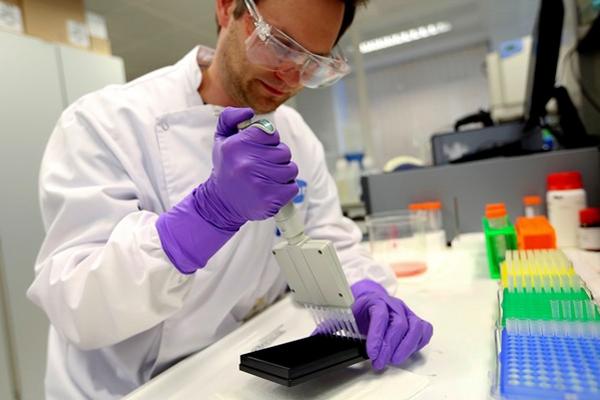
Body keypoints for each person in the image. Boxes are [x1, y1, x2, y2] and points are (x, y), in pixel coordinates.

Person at [27, 0, 433, 398]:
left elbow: (329, 239)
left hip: (239, 369)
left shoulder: (296, 134)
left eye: (312, 62)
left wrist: (363, 291)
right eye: (280, 43)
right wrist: (204, 217)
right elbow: (78, 307)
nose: (291, 75)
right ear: (226, 8)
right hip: (131, 388)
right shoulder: (106, 122)